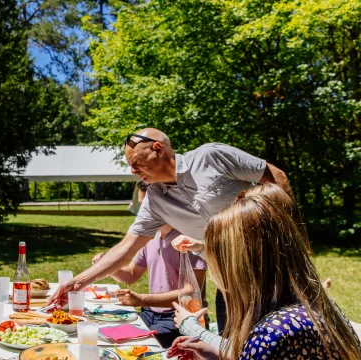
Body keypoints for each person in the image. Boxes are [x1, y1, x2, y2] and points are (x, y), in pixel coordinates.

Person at [49, 128, 292, 334]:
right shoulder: (155, 198)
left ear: (158, 148)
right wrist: (77, 282)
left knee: (288, 340)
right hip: (229, 282)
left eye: (136, 163)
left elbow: (277, 178)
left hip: (276, 269)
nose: (133, 171)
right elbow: (126, 249)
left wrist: (293, 240)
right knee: (233, 348)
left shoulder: (211, 156)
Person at [166, 194, 361, 359]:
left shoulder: (272, 333)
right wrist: (211, 351)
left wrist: (196, 332)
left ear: (237, 266)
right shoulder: (316, 307)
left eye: (214, 257)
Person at [91, 223, 207, 347]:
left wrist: (141, 300)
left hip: (179, 317)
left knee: (136, 345)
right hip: (150, 313)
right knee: (104, 334)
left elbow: (190, 293)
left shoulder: (188, 240)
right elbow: (131, 274)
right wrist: (106, 264)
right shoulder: (151, 238)